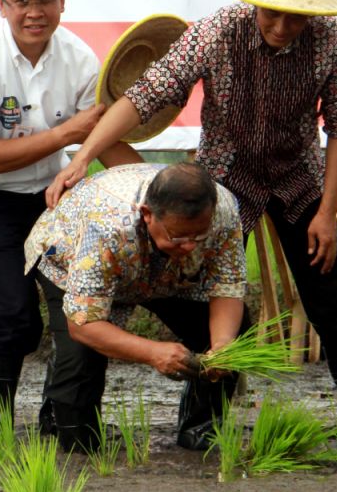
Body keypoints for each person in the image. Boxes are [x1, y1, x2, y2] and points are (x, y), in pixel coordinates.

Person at [47, 0, 337, 440]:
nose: (282, 28)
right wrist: (82, 154)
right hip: (224, 183)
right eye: (272, 14)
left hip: (297, 179)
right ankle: (200, 425)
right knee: (211, 302)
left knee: (330, 299)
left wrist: (328, 210)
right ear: (254, 3)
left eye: (296, 18)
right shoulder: (218, 31)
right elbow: (146, 94)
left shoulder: (334, 41)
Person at [0, 0, 139, 427]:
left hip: (51, 198)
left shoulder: (80, 58)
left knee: (82, 308)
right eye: (21, 0)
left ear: (63, 2)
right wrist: (68, 134)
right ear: (1, 4)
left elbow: (105, 141)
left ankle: (67, 420)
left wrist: (156, 187)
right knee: (15, 317)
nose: (34, 12)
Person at [26, 162, 247, 452]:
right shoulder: (105, 225)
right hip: (70, 256)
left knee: (233, 331)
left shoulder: (225, 211)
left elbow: (227, 287)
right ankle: (63, 425)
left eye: (199, 237)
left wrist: (220, 346)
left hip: (168, 273)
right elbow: (82, 323)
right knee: (81, 359)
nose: (191, 247)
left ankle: (200, 429)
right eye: (179, 236)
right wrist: (152, 352)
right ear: (148, 215)